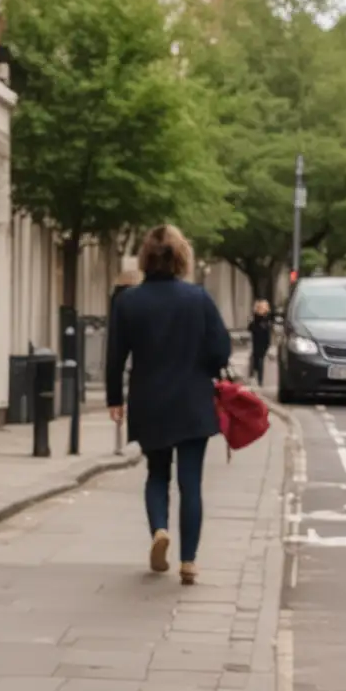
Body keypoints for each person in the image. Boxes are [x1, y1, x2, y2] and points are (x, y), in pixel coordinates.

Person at [105, 224, 232, 586]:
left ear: (146, 258)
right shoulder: (199, 299)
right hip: (192, 401)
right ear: (181, 258)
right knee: (191, 483)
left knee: (157, 474)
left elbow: (115, 356)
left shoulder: (128, 301)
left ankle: (160, 530)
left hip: (149, 400)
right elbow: (220, 351)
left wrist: (115, 399)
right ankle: (188, 561)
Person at [248, 299, 272, 384]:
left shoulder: (260, 319)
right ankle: (258, 378)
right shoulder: (264, 319)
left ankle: (255, 376)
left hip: (259, 341)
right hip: (261, 341)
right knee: (258, 358)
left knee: (256, 358)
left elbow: (250, 328)